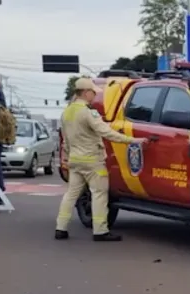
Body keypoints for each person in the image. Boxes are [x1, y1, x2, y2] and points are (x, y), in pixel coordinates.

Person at [55, 78, 148, 242]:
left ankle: (60, 228)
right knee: (99, 194)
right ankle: (100, 231)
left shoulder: (67, 112)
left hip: (75, 160)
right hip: (93, 161)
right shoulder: (88, 112)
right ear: (85, 92)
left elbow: (66, 140)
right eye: (92, 93)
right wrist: (133, 140)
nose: (94, 96)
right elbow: (106, 132)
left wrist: (67, 157)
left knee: (71, 194)